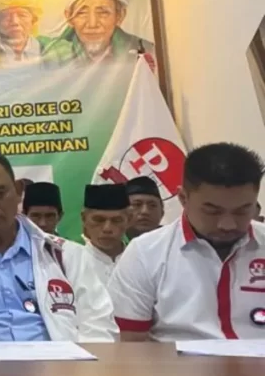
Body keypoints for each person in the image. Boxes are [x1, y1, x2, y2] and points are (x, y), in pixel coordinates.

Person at [0, 149, 117, 343]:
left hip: (63, 361)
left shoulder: (69, 255)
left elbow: (100, 329)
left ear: (19, 192)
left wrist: (75, 362)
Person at [109, 143, 265, 341]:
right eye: (212, 211)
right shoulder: (145, 253)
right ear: (183, 198)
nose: (227, 225)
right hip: (176, 360)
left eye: (242, 211)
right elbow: (132, 344)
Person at [46, 0, 153, 66]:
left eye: (103, 13)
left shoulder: (145, 50)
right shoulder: (51, 56)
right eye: (82, 13)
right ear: (69, 17)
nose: (92, 24)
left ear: (119, 16)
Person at [81, 184, 131, 287]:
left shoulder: (141, 260)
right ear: (84, 219)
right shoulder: (72, 263)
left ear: (129, 220)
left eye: (116, 220)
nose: (107, 229)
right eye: (98, 220)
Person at [126, 176, 164, 240]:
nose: (145, 211)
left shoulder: (174, 240)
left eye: (152, 205)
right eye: (137, 204)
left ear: (162, 212)